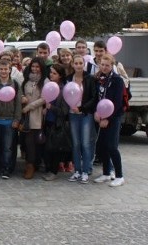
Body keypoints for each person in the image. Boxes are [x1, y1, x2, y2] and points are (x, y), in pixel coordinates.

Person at [93, 54, 126, 187]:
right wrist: (97, 112)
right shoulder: (99, 79)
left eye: (107, 65)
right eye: (102, 64)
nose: (104, 67)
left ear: (112, 65)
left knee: (112, 146)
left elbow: (117, 102)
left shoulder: (117, 80)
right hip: (101, 116)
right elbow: (98, 97)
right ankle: (106, 173)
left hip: (114, 116)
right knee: (102, 146)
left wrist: (107, 118)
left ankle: (119, 175)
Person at [67, 54, 98, 183]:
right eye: (76, 63)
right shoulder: (69, 79)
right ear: (73, 64)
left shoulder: (90, 79)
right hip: (72, 114)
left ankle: (85, 171)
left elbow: (94, 98)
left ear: (84, 64)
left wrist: (82, 108)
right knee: (75, 144)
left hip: (85, 115)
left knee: (85, 144)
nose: (78, 65)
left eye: (81, 63)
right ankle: (77, 171)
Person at [20, 57, 47, 179]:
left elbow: (44, 98)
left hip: (37, 114)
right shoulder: (26, 80)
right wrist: (22, 97)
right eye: (33, 66)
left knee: (35, 142)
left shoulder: (45, 81)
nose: (35, 69)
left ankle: (32, 165)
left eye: (37, 67)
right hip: (25, 115)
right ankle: (29, 164)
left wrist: (30, 106)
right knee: (27, 141)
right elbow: (20, 92)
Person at [42, 64, 70, 181]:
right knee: (47, 148)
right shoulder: (49, 86)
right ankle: (48, 169)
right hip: (47, 121)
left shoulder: (63, 90)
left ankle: (53, 171)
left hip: (57, 123)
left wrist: (50, 107)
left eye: (54, 73)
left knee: (55, 149)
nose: (51, 75)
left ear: (60, 75)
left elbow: (64, 111)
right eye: (51, 73)